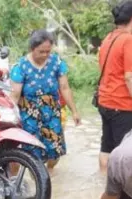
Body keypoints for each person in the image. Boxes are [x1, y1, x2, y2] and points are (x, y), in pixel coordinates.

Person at [10, 29, 81, 170]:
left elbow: (65, 87)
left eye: (48, 51)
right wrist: (11, 118)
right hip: (29, 115)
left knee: (55, 152)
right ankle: (39, 180)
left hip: (52, 113)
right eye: (41, 51)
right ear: (32, 48)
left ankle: (49, 172)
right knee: (32, 153)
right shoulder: (20, 67)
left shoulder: (57, 62)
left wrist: (74, 111)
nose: (45, 55)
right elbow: (15, 95)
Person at [97, 0, 132, 172]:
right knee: (125, 152)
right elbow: (131, 76)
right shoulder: (130, 41)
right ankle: (120, 190)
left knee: (107, 146)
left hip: (105, 102)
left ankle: (104, 183)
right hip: (121, 105)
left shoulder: (108, 39)